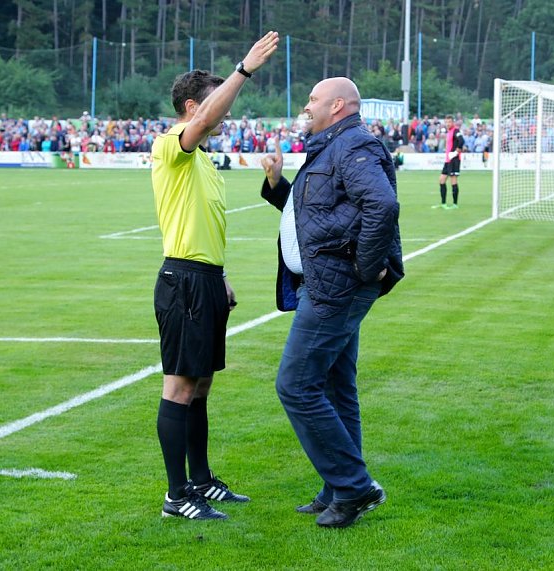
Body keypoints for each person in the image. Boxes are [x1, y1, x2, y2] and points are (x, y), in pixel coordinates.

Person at [259, 77, 404, 529]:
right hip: (325, 283)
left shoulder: (353, 145)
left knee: (296, 385)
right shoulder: (330, 146)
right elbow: (316, 213)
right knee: (335, 388)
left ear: (337, 105)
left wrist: (364, 268)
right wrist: (277, 183)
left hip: (334, 288)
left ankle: (354, 486)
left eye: (313, 99)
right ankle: (336, 486)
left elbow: (382, 205)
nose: (307, 105)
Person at [151, 30, 280, 521]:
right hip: (181, 281)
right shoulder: (172, 146)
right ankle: (176, 495)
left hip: (204, 281)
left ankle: (201, 482)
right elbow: (207, 118)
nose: (224, 117)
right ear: (190, 107)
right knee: (179, 387)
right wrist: (242, 70)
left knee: (200, 385)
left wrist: (218, 275)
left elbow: (203, 227)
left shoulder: (205, 162)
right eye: (212, 108)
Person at [432, 114, 463, 209]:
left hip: (454, 160)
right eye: (446, 122)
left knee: (453, 180)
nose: (448, 124)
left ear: (453, 122)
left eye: (449, 122)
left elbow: (461, 141)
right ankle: (443, 203)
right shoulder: (449, 132)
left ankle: (455, 204)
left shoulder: (456, 131)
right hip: (448, 160)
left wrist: (456, 151)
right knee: (441, 180)